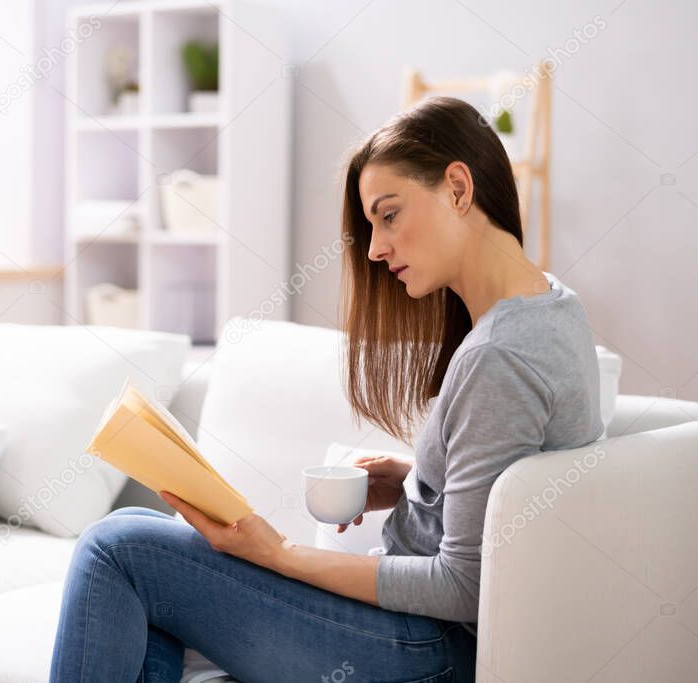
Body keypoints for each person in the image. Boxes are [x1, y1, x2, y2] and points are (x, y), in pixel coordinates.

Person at [49, 95, 604, 683]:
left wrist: (276, 554)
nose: (374, 248)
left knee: (116, 547)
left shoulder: (499, 357)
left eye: (388, 215)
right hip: (421, 640)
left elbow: (463, 585)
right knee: (153, 585)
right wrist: (417, 481)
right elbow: (505, 486)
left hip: (428, 651)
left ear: (458, 189)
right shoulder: (553, 307)